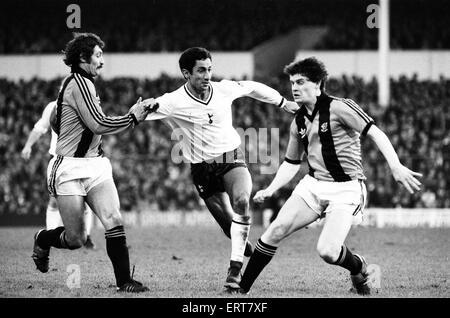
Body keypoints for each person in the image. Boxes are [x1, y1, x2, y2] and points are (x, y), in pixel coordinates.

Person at [231, 57, 422, 295]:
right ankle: (240, 291)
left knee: (328, 251)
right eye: (292, 82)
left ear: (318, 83)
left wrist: (395, 166)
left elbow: (376, 133)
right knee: (274, 230)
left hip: (346, 189)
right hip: (312, 186)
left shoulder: (340, 107)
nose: (294, 88)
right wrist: (271, 189)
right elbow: (291, 163)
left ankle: (359, 266)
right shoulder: (298, 119)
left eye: (301, 82)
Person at [143, 47, 299, 290]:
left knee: (241, 200)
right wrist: (143, 108)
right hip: (201, 169)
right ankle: (240, 240)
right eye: (201, 71)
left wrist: (282, 102)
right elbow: (142, 113)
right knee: (230, 227)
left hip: (230, 158)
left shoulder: (223, 89)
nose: (207, 75)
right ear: (186, 73)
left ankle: (234, 271)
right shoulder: (172, 101)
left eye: (209, 69)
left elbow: (253, 87)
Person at [31, 33, 157, 293]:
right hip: (68, 168)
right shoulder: (78, 84)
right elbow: (98, 123)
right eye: (98, 55)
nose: (102, 61)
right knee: (76, 239)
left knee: (113, 218)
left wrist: (132, 117)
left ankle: (124, 282)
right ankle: (43, 238)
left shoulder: (86, 83)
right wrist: (132, 118)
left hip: (96, 165)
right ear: (82, 58)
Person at [22, 100, 96, 249]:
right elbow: (40, 128)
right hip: (59, 159)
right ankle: (49, 237)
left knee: (86, 201)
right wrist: (28, 145)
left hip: (82, 158)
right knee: (54, 201)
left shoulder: (86, 103)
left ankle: (86, 237)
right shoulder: (53, 106)